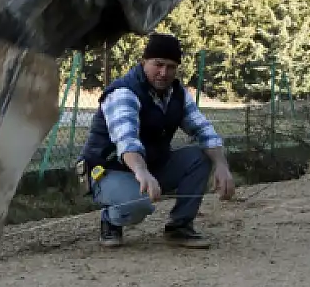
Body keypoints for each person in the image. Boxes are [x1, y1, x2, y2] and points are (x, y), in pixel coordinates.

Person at [80, 32, 236, 249]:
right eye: (158, 64)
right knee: (139, 204)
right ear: (144, 62)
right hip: (108, 170)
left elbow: (203, 130)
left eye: (171, 67)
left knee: (200, 157)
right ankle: (111, 218)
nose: (164, 73)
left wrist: (222, 165)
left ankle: (179, 227)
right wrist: (142, 172)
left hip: (150, 167)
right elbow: (126, 139)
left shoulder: (178, 94)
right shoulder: (124, 93)